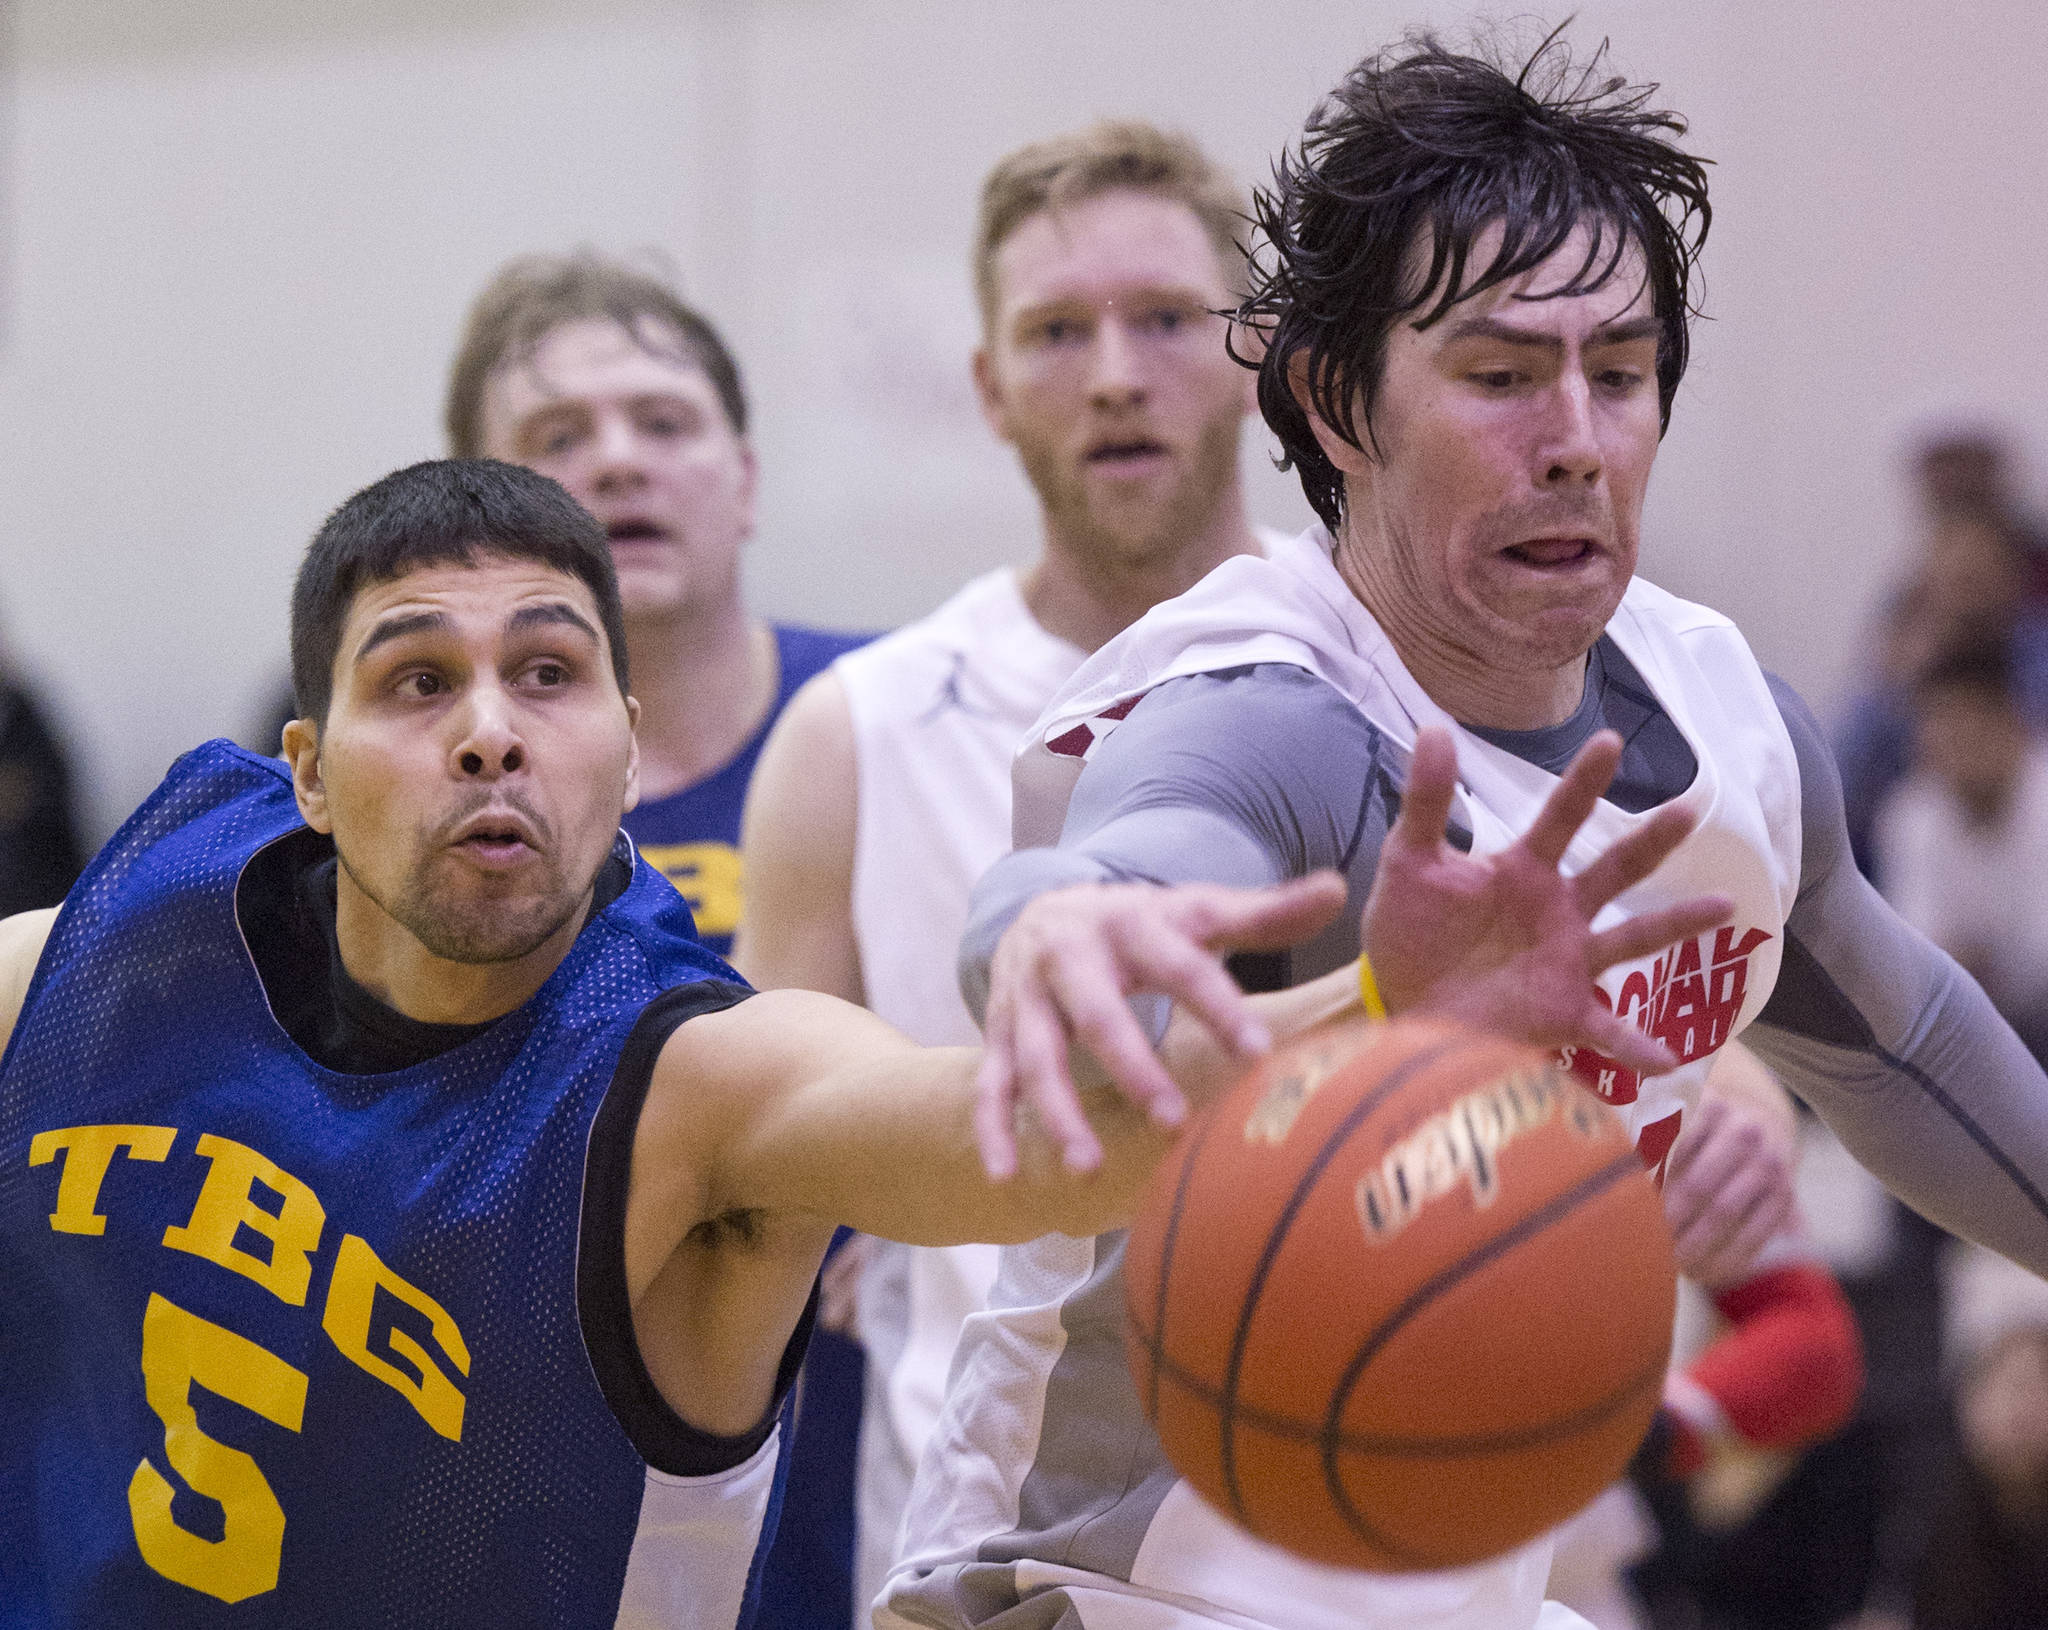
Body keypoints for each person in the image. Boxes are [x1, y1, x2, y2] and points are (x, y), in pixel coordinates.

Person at [0, 456, 1726, 1626]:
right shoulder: (122, 947)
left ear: (628, 742)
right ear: (305, 765)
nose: (488, 735)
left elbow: (1019, 1130)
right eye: (414, 683)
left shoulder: (688, 1080)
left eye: (547, 673)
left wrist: (1365, 1008)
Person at [879, 33, 2048, 1630]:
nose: (1574, 435)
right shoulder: (1271, 708)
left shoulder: (1726, 722)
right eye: (1500, 375)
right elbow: (1125, 879)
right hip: (1130, 1588)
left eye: (1619, 373)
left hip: (1453, 1572)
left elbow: (1903, 1038)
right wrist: (1053, 920)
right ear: (1332, 400)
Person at [734, 119, 1286, 1618]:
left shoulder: (1384, 673)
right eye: (1056, 330)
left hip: (1351, 1520)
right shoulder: (857, 732)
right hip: (976, 1554)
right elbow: (764, 1160)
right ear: (986, 384)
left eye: (1165, 317)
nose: (1115, 370)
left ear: (1254, 346)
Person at [446, 251, 872, 1623]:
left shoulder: (902, 720)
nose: (618, 463)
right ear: (479, 508)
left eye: (663, 422)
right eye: (559, 437)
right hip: (553, 1449)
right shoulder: (443, 792)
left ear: (743, 477)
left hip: (886, 1437)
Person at [1874, 641, 2048, 1055]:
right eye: (1943, 726)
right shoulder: (1910, 816)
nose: (1959, 743)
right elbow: (1917, 964)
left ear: (2014, 724)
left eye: (1974, 725)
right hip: (1974, 1029)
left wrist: (1969, 963)